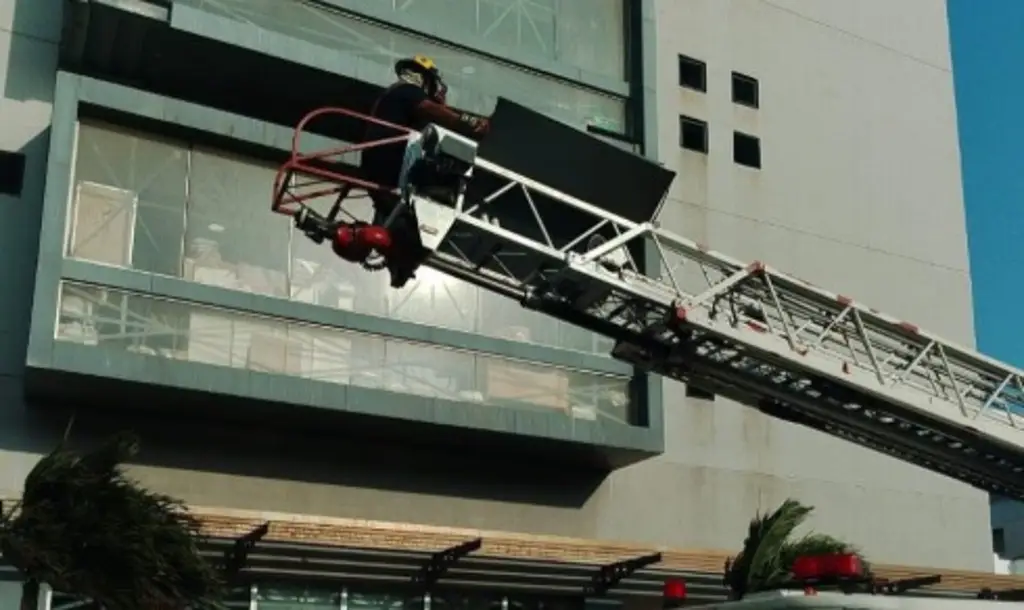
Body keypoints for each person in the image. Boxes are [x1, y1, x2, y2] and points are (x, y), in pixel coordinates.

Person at [359, 55, 490, 286]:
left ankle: (397, 260)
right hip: (394, 161)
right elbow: (431, 111)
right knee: (443, 165)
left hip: (377, 165)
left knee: (393, 214)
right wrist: (468, 122)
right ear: (425, 78)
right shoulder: (408, 91)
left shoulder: (389, 97)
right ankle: (440, 196)